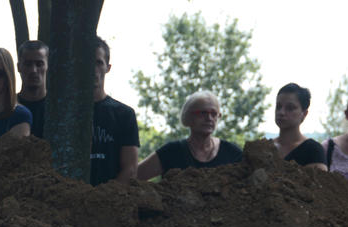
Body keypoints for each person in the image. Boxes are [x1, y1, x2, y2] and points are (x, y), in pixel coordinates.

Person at [137, 91, 242, 180]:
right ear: (188, 116)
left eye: (214, 114)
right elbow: (133, 175)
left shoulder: (231, 153)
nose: (209, 118)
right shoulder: (171, 152)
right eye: (202, 113)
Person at [90, 36, 139, 185]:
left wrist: (104, 199)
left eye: (98, 63)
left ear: (107, 67)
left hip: (110, 202)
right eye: (86, 62)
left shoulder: (124, 115)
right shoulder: (61, 116)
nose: (93, 69)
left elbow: (130, 169)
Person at [272, 83, 326, 170]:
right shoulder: (263, 148)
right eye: (278, 107)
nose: (281, 112)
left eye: (290, 108)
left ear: (304, 114)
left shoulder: (313, 150)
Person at [16, 39, 47, 139]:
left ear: (48, 65)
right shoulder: (9, 107)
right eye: (28, 64)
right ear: (18, 67)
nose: (33, 70)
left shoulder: (58, 109)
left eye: (39, 64)